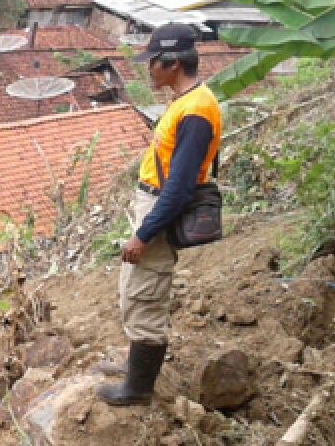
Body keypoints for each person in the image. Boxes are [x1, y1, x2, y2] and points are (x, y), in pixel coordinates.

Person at [97, 23, 221, 407]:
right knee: (134, 288)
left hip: (161, 210)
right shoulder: (186, 102)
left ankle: (138, 390)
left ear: (172, 64)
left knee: (145, 294)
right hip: (152, 202)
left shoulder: (196, 113)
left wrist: (145, 233)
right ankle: (136, 369)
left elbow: (180, 187)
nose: (148, 70)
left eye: (152, 62)